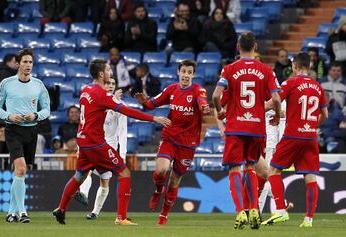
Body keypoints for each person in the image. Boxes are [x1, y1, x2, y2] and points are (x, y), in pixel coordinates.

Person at [52, 59, 170, 225]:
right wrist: (154, 118)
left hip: (84, 141)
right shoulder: (102, 95)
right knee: (124, 173)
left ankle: (61, 208)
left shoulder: (86, 89)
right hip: (95, 143)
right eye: (108, 70)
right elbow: (127, 111)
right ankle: (121, 218)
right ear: (101, 74)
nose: (110, 72)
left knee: (79, 176)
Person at [212, 32, 281, 229]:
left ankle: (240, 211)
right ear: (256, 46)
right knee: (251, 167)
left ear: (238, 47)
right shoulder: (266, 70)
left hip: (235, 127)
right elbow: (276, 98)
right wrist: (276, 114)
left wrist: (220, 111)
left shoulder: (229, 69)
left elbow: (216, 95)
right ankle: (253, 209)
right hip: (257, 128)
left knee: (235, 168)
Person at [134, 59, 210, 225]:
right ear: (178, 72)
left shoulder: (198, 90)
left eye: (189, 72)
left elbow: (202, 101)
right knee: (161, 170)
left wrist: (204, 107)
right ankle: (158, 190)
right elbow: (152, 104)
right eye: (183, 71)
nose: (186, 75)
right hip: (170, 136)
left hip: (188, 143)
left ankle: (163, 215)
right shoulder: (171, 89)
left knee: (174, 180)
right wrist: (144, 102)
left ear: (193, 75)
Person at [261, 52, 328, 227]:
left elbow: (272, 102)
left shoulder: (290, 83)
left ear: (294, 66)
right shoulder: (318, 87)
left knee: (273, 172)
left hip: (292, 135)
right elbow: (325, 115)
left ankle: (281, 210)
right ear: (310, 66)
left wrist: (254, 110)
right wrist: (312, 125)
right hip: (310, 136)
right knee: (310, 177)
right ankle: (309, 219)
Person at [0, 48, 50, 223]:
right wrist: (8, 116)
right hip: (13, 130)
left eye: (30, 62)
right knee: (21, 168)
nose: (28, 65)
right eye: (24, 62)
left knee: (20, 172)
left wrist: (36, 116)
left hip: (31, 130)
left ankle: (11, 212)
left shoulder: (38, 85)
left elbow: (47, 109)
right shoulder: (6, 83)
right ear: (18, 64)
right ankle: (22, 211)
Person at [74, 77, 127, 219]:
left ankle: (95, 212)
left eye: (113, 83)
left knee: (105, 180)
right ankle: (83, 194)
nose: (110, 86)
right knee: (87, 170)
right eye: (107, 83)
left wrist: (122, 154)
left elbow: (122, 132)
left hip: (109, 145)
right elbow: (83, 122)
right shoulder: (93, 100)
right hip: (92, 142)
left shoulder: (120, 106)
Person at [0, 54, 18, 125]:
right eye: (14, 62)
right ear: (7, 62)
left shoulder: (10, 75)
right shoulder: (4, 75)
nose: (17, 64)